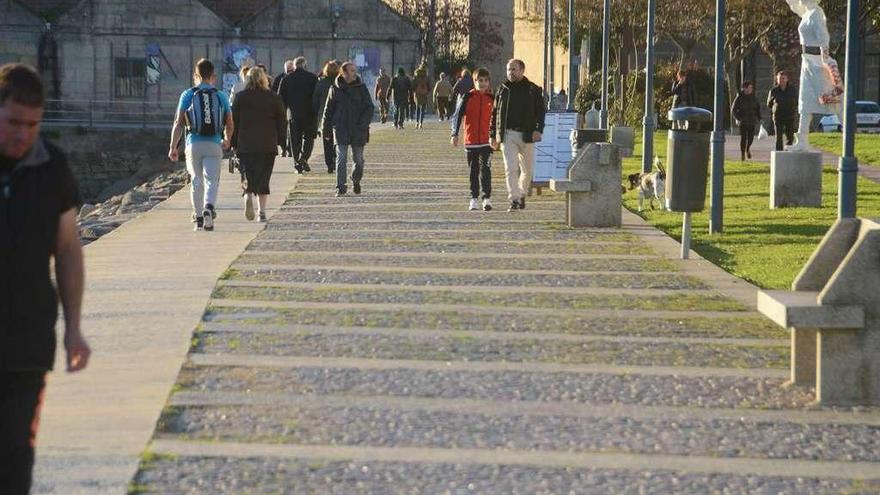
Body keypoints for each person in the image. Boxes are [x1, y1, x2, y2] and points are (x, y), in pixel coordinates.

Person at [0, 63, 90, 495]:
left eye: (32, 125)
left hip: (27, 340)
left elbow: (69, 249)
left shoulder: (52, 166)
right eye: (13, 122)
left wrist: (73, 328)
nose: (22, 134)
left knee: (16, 455)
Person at [169, 58, 233, 231]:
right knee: (212, 180)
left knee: (197, 180)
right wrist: (227, 139)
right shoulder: (221, 95)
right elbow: (229, 123)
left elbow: (179, 122)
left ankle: (198, 217)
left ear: (195, 75)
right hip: (214, 144)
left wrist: (173, 146)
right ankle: (209, 208)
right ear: (213, 76)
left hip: (194, 144)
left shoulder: (188, 94)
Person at [783, 0, 842, 151]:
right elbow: (794, 5)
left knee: (832, 98)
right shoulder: (806, 12)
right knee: (805, 101)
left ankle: (849, 132)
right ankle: (802, 140)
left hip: (817, 62)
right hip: (807, 61)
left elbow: (823, 37)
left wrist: (826, 59)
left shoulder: (816, 13)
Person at [490, 59, 545, 212]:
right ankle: (514, 199)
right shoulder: (502, 89)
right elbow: (494, 113)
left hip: (527, 135)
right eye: (508, 69)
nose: (510, 72)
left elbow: (541, 112)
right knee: (510, 168)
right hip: (508, 134)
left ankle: (521, 194)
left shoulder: (533, 89)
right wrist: (492, 134)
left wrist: (538, 129)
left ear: (522, 70)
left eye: (514, 69)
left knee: (528, 170)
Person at [231, 66, 285, 223]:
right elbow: (281, 122)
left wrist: (233, 142)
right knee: (264, 178)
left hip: (245, 144)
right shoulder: (273, 97)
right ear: (264, 79)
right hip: (267, 144)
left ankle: (248, 195)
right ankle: (261, 212)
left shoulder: (240, 97)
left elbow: (234, 122)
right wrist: (282, 142)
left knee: (247, 174)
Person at [322, 61, 374, 197]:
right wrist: (325, 129)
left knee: (359, 160)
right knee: (341, 158)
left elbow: (369, 108)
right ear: (343, 72)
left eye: (354, 70)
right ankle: (341, 186)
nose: (354, 73)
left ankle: (355, 179)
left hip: (358, 129)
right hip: (340, 128)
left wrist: (363, 124)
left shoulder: (361, 88)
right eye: (351, 70)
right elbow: (328, 111)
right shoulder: (335, 88)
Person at [451, 67, 494, 212]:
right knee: (473, 171)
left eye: (485, 81)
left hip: (487, 142)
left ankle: (486, 198)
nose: (482, 83)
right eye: (479, 81)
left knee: (486, 169)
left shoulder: (492, 99)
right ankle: (474, 198)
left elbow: (498, 120)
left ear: (488, 82)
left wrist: (498, 136)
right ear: (474, 82)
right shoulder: (467, 97)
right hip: (471, 142)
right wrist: (454, 134)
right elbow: (457, 116)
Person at [278, 56, 318, 173]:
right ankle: (304, 158)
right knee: (309, 138)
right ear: (305, 65)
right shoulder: (312, 78)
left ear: (294, 66)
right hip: (310, 114)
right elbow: (316, 96)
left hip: (293, 114)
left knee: (295, 140)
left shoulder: (287, 79)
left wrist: (283, 113)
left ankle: (297, 163)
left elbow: (280, 97)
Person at [314, 60, 340, 174]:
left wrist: (316, 113)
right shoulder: (339, 83)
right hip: (338, 114)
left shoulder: (320, 83)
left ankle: (329, 163)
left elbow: (315, 101)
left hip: (324, 115)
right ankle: (336, 159)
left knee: (327, 140)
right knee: (338, 139)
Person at [767, 70, 798, 151]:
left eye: (783, 78)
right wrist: (774, 106)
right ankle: (779, 154)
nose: (781, 80)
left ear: (787, 79)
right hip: (778, 117)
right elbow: (769, 104)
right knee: (779, 137)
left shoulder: (792, 90)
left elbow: (797, 101)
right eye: (780, 79)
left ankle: (787, 151)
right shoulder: (774, 91)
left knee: (790, 137)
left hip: (789, 116)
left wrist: (793, 108)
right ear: (777, 80)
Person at [731, 81, 762, 161]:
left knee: (751, 138)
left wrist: (760, 118)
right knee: (743, 138)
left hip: (752, 120)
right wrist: (738, 118)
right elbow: (733, 110)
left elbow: (758, 108)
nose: (750, 89)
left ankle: (747, 149)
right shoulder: (739, 97)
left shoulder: (754, 97)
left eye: (751, 88)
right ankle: (742, 154)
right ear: (744, 88)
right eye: (749, 88)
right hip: (743, 121)